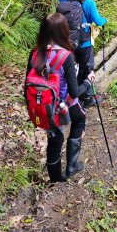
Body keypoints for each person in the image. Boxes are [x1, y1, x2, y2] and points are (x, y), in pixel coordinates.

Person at [26, 13, 95, 183]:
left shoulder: (35, 53)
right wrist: (88, 81)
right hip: (62, 105)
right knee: (80, 118)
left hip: (41, 104)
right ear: (64, 30)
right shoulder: (66, 56)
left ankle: (55, 179)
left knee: (55, 141)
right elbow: (74, 92)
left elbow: (26, 83)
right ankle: (71, 166)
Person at [52, 0, 107, 107]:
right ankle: (87, 99)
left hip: (69, 43)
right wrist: (105, 20)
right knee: (87, 69)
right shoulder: (89, 3)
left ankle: (70, 94)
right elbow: (98, 20)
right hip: (85, 43)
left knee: (73, 68)